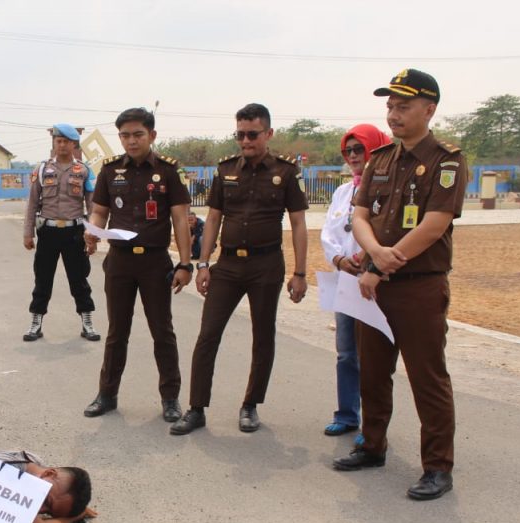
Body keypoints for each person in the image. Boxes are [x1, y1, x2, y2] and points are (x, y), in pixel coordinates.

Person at [333, 69, 467, 501]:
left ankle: (437, 467)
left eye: (403, 106)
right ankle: (373, 446)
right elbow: (359, 215)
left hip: (417, 286)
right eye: (390, 106)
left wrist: (389, 259)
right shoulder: (380, 159)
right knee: (372, 371)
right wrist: (375, 251)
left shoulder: (447, 160)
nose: (393, 114)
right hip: (375, 283)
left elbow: (436, 222)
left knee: (427, 377)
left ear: (429, 109)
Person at [170, 103, 309, 436]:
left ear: (268, 134)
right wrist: (203, 264)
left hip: (266, 265)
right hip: (229, 265)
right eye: (240, 134)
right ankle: (196, 407)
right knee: (208, 335)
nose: (245, 141)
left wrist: (301, 273)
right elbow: (214, 218)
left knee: (263, 336)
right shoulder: (226, 170)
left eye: (252, 134)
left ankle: (250, 405)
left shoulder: (286, 172)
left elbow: (299, 223)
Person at [82, 107, 193, 423]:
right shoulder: (109, 171)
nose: (131, 141)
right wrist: (92, 234)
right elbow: (100, 212)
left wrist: (185, 264)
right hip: (119, 262)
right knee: (117, 332)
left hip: (155, 262)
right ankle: (107, 394)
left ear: (152, 135)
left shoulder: (168, 171)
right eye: (125, 135)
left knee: (162, 331)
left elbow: (180, 220)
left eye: (138, 135)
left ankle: (170, 398)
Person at [319, 124, 391, 438]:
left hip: (374, 281)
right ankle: (347, 415)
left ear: (374, 149)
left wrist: (367, 259)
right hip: (344, 282)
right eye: (347, 151)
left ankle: (373, 426)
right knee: (346, 352)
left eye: (358, 149)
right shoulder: (342, 192)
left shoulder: (387, 188)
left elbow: (388, 231)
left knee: (372, 356)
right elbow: (329, 233)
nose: (352, 156)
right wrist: (338, 259)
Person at [22, 123, 99, 342]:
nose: (62, 145)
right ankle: (36, 323)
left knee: (79, 279)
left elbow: (92, 206)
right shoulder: (42, 169)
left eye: (66, 141)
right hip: (48, 232)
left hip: (75, 233)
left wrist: (93, 236)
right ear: (54, 143)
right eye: (58, 141)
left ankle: (87, 321)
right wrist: (28, 233)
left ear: (74, 144)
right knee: (42, 279)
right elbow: (32, 202)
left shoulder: (84, 170)